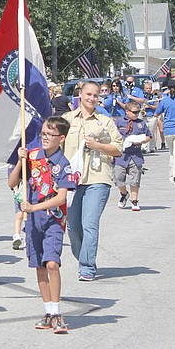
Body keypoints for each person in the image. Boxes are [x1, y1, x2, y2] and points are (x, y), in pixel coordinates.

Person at [8, 116, 76, 334]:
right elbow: (12, 183)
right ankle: (47, 310)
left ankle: (57, 312)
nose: (45, 138)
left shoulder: (63, 165)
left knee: (52, 264)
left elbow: (61, 198)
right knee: (38, 265)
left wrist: (33, 207)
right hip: (33, 222)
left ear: (61, 138)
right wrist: (20, 161)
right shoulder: (32, 156)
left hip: (52, 220)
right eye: (43, 134)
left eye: (50, 135)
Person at [62, 80, 123, 281]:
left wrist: (98, 145)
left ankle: (86, 267)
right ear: (80, 94)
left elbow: (118, 148)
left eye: (96, 95)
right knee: (73, 226)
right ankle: (83, 257)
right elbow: (55, 148)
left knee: (90, 223)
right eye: (88, 94)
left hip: (98, 178)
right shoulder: (67, 119)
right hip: (72, 180)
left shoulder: (105, 122)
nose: (92, 98)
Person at [113, 101, 152, 211]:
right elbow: (113, 135)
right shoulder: (119, 121)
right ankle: (124, 194)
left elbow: (149, 136)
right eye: (134, 112)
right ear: (127, 111)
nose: (136, 114)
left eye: (138, 112)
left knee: (135, 179)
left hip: (135, 154)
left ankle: (134, 201)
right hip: (121, 155)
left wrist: (141, 141)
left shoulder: (141, 123)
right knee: (118, 177)